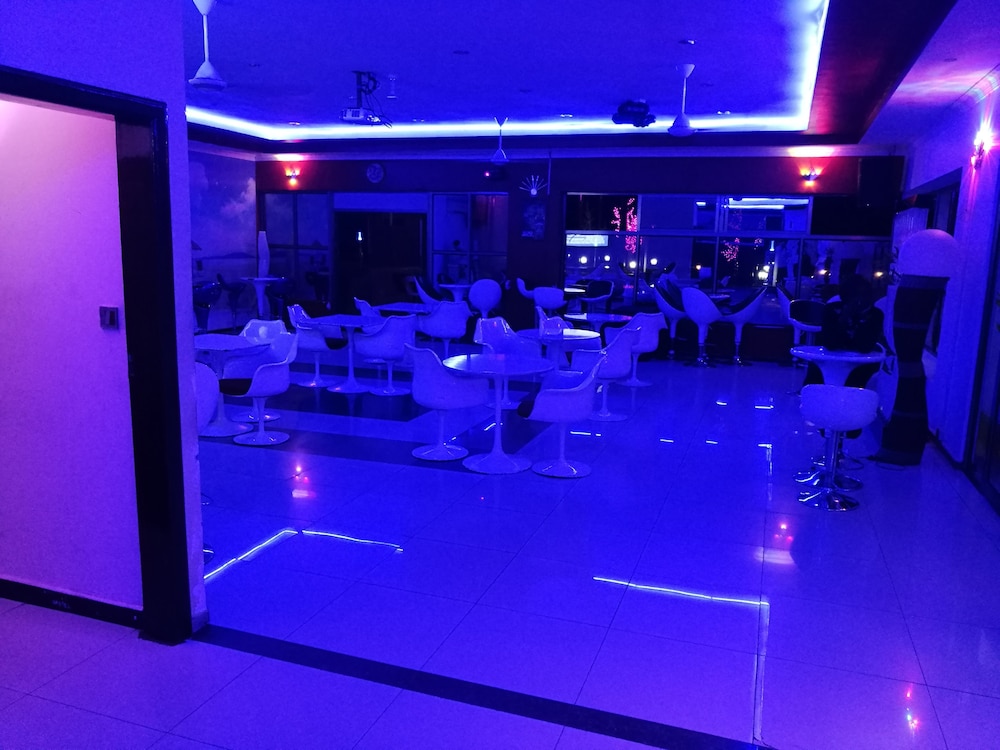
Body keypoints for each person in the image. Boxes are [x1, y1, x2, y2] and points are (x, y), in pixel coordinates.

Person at [804, 274, 885, 388]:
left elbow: (865, 347)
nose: (859, 301)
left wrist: (858, 319)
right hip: (831, 358)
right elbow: (829, 343)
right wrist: (844, 319)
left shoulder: (875, 315)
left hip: (861, 362)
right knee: (820, 367)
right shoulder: (832, 310)